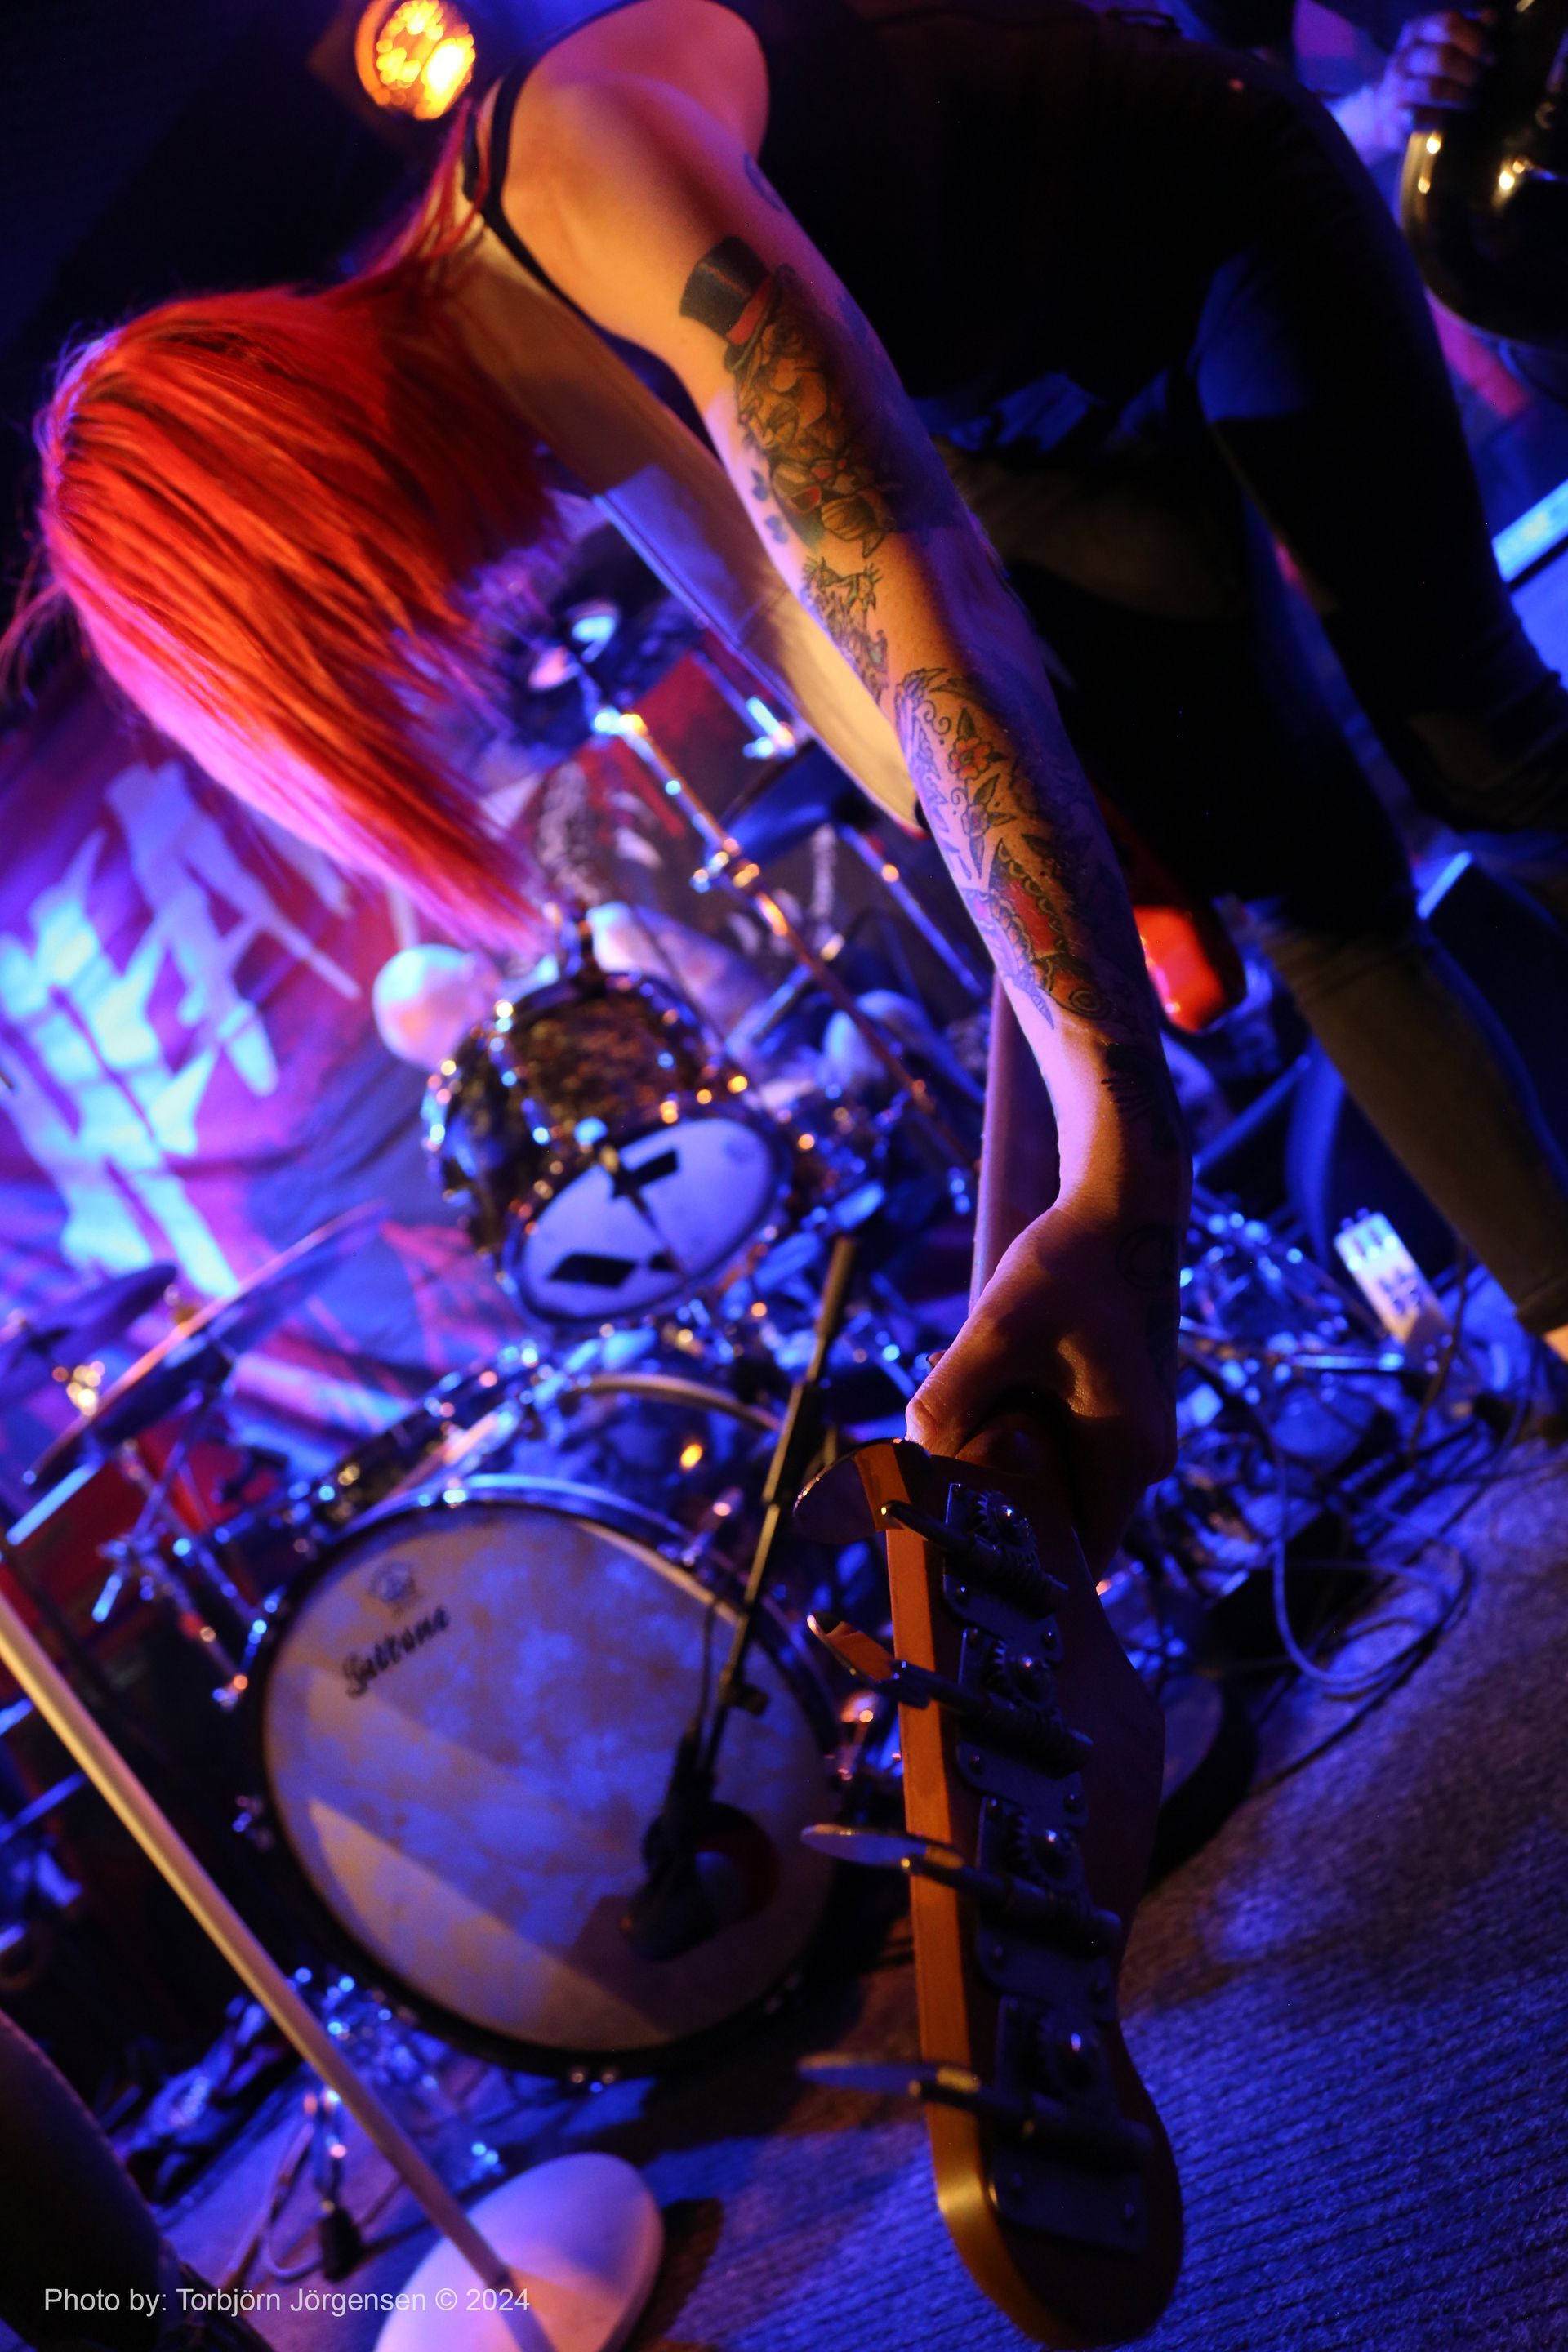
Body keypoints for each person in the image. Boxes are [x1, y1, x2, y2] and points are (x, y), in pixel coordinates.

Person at [15, 0, 1568, 1573]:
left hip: (1196, 205)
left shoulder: (576, 171)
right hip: (1016, 415)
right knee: (1309, 890)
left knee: (1476, 744)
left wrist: (1123, 1160)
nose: (461, 619)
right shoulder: (547, 391)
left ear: (340, 488)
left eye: (380, 615)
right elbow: (896, 735)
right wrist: (1036, 1224)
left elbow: (930, 615)